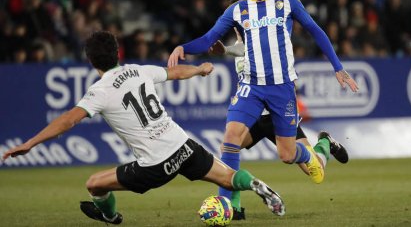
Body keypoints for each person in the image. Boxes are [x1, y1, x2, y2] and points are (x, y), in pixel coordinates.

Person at [1, 31, 286, 224]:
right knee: (228, 178)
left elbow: (68, 120)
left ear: (90, 60)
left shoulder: (99, 91)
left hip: (155, 164)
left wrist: (30, 143)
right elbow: (174, 72)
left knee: (94, 184)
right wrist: (199, 70)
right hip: (182, 145)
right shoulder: (138, 70)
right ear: (118, 53)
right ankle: (254, 183)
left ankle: (112, 218)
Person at [168, 0, 358, 192]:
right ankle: (230, 205)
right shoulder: (238, 11)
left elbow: (315, 30)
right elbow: (208, 39)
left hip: (281, 90)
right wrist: (182, 47)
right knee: (230, 139)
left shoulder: (287, 2)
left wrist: (338, 67)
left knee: (293, 159)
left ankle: (321, 147)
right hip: (253, 89)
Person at [209, 18, 349, 220]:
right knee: (228, 148)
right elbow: (241, 61)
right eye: (235, 25)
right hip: (255, 118)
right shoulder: (238, 47)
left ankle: (325, 143)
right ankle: (234, 208)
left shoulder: (268, 42)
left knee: (316, 174)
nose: (239, 28)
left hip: (278, 116)